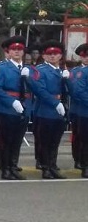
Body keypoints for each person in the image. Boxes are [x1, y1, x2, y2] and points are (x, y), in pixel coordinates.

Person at [0, 36, 30, 180]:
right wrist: (12, 102)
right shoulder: (1, 67)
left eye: (20, 49)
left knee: (17, 139)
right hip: (6, 109)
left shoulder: (27, 69)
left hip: (24, 108)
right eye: (13, 49)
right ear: (8, 52)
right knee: (5, 140)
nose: (17, 52)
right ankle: (5, 168)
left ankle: (13, 165)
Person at [29, 40, 68, 179]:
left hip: (59, 109)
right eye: (49, 54)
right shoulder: (39, 70)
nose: (52, 56)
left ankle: (52, 166)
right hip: (45, 110)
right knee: (45, 141)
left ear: (60, 56)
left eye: (55, 53)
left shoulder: (62, 71)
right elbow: (39, 90)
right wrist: (55, 103)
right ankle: (45, 168)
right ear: (44, 56)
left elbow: (69, 91)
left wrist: (67, 81)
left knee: (55, 141)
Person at [69, 44, 88, 178]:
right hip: (82, 110)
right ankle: (82, 162)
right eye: (84, 56)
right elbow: (77, 91)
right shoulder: (79, 72)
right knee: (82, 139)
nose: (86, 59)